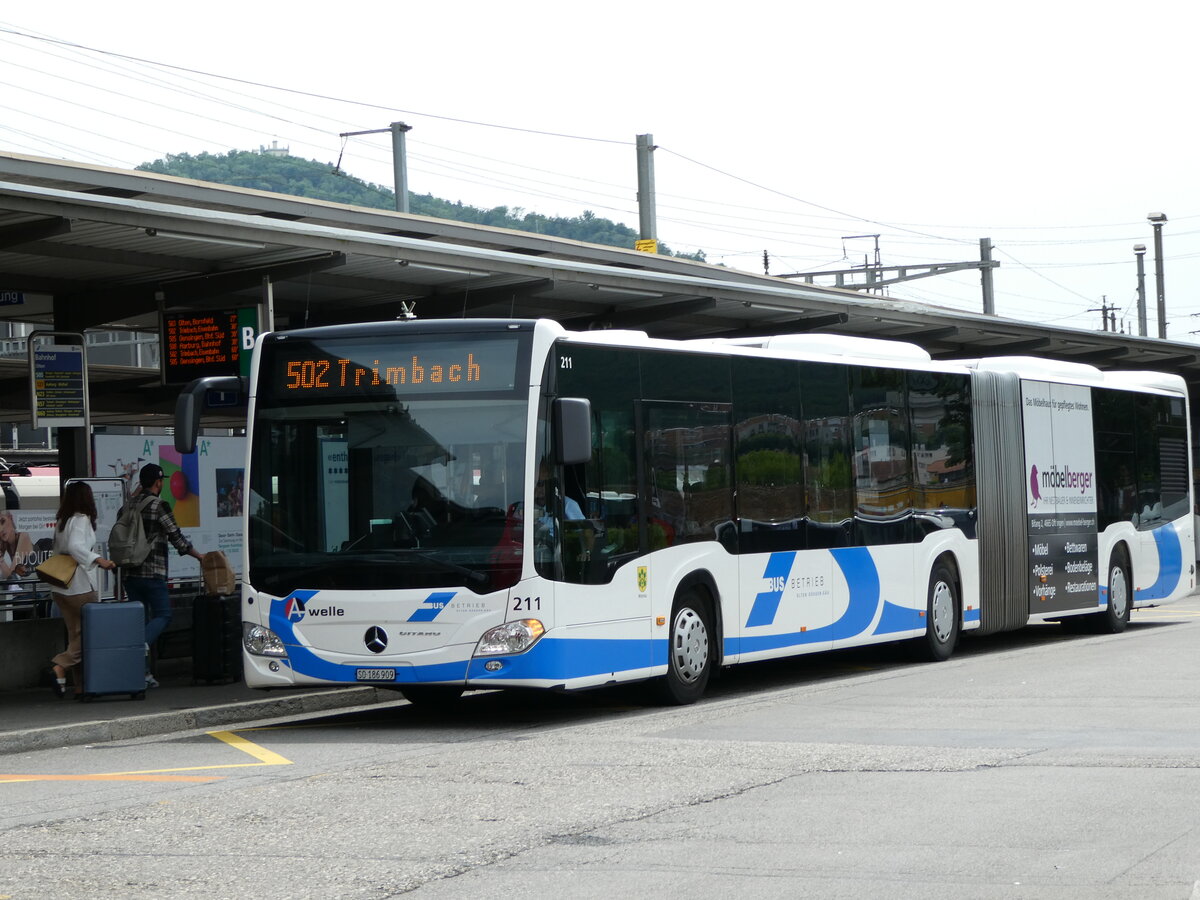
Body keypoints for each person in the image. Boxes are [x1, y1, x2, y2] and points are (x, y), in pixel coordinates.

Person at [119, 464, 204, 687]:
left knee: (141, 621)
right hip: (153, 571)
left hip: (129, 572)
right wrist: (200, 556)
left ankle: (143, 675)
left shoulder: (128, 505)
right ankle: (139, 645)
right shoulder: (159, 505)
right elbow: (177, 538)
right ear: (158, 483)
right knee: (163, 615)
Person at [47, 482, 116, 698]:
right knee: (89, 634)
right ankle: (60, 665)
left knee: (76, 634)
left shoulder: (62, 521)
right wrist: (99, 560)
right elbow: (77, 547)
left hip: (60, 586)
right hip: (79, 585)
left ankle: (80, 686)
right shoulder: (82, 519)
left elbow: (61, 549)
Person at [0, 509, 35, 583]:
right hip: (26, 586)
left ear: (10, 518)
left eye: (3, 521)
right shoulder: (5, 543)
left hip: (37, 587)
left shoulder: (23, 537)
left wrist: (1, 559)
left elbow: (12, 578)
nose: (1, 529)